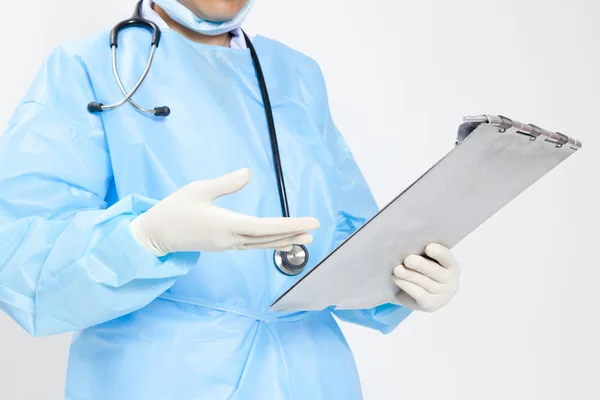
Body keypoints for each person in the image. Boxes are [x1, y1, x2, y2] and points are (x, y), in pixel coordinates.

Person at [0, 0, 461, 398]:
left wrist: (401, 277)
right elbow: (23, 261)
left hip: (313, 375)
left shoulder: (295, 75)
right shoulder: (88, 69)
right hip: (162, 380)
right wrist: (145, 238)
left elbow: (343, 232)